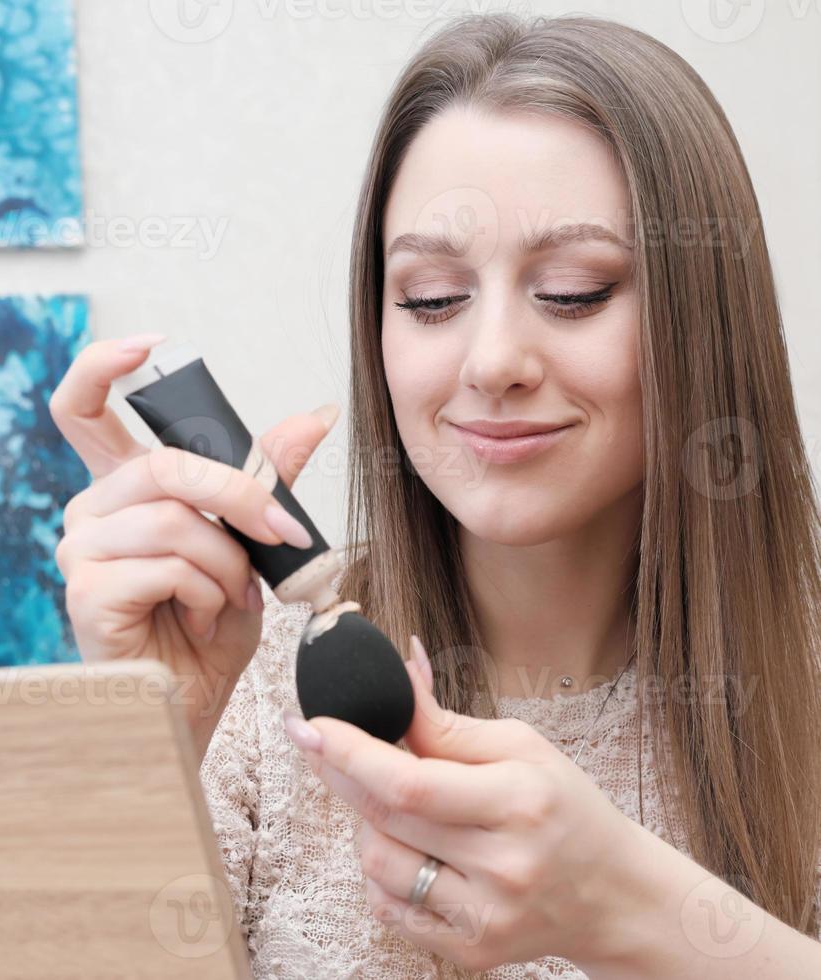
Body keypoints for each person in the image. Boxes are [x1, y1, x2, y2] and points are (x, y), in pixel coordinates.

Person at [49, 11, 821, 978]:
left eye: (576, 290)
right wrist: (141, 746)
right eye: (431, 298)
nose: (492, 360)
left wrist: (633, 911)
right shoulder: (251, 691)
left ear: (706, 319)